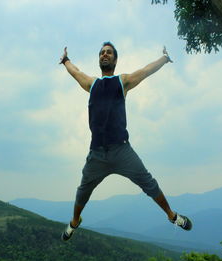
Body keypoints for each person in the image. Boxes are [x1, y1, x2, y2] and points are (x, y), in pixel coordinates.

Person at [59, 42, 192, 241]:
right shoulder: (92, 84)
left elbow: (145, 71)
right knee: (83, 191)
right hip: (97, 154)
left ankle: (173, 216)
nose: (105, 54)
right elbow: (75, 72)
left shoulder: (123, 81)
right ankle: (75, 222)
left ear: (115, 59)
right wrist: (66, 61)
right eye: (102, 52)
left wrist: (164, 59)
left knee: (149, 183)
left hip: (122, 151)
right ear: (99, 59)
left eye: (109, 52)